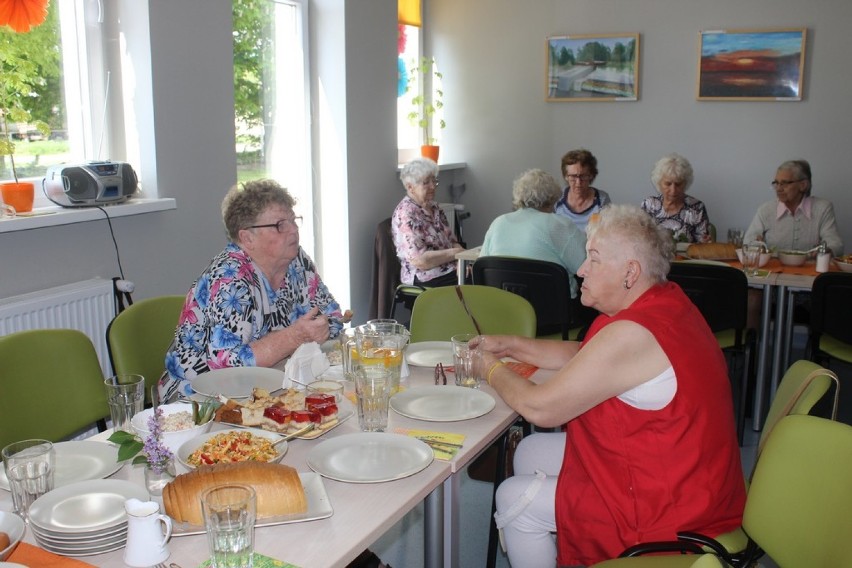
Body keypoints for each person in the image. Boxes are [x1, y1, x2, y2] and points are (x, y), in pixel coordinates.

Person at [474, 204, 746, 567]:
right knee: (530, 450)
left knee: (513, 498)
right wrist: (510, 345)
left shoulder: (633, 333)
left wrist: (488, 367)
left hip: (672, 506)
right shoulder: (664, 303)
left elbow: (541, 407)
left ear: (630, 273)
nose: (580, 269)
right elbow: (586, 354)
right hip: (689, 470)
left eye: (594, 259)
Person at [160, 179, 349, 401]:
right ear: (247, 238)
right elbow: (227, 366)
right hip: (200, 400)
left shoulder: (297, 261)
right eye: (280, 225)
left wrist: (316, 329)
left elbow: (333, 316)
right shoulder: (230, 278)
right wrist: (294, 337)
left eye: (294, 220)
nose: (294, 230)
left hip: (274, 383)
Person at [480, 168, 586, 298]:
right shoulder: (558, 225)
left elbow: (482, 266)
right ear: (552, 198)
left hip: (505, 308)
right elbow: (585, 266)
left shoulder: (498, 223)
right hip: (554, 309)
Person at [744, 159, 843, 255]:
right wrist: (757, 246)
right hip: (774, 270)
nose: (778, 189)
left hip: (810, 270)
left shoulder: (822, 208)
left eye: (784, 183)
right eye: (776, 183)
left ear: (803, 185)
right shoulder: (766, 210)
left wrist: (825, 251)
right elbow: (748, 243)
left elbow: (836, 245)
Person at [392, 157, 464, 287]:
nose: (432, 186)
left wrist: (461, 262)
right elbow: (420, 261)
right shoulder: (407, 213)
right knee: (476, 283)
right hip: (425, 275)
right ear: (410, 187)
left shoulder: (435, 207)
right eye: (426, 182)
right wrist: (456, 255)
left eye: (434, 181)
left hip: (449, 269)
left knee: (478, 273)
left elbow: (453, 242)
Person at [640, 153, 712, 243]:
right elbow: (641, 238)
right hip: (656, 256)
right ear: (659, 183)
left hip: (686, 257)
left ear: (685, 183)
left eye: (678, 184)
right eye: (668, 184)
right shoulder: (649, 205)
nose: (673, 190)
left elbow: (702, 243)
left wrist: (705, 241)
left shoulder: (696, 208)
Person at [553, 148, 611, 231]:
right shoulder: (557, 197)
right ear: (566, 176)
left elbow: (607, 231)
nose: (578, 182)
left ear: (591, 175)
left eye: (583, 176)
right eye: (573, 176)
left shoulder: (602, 199)